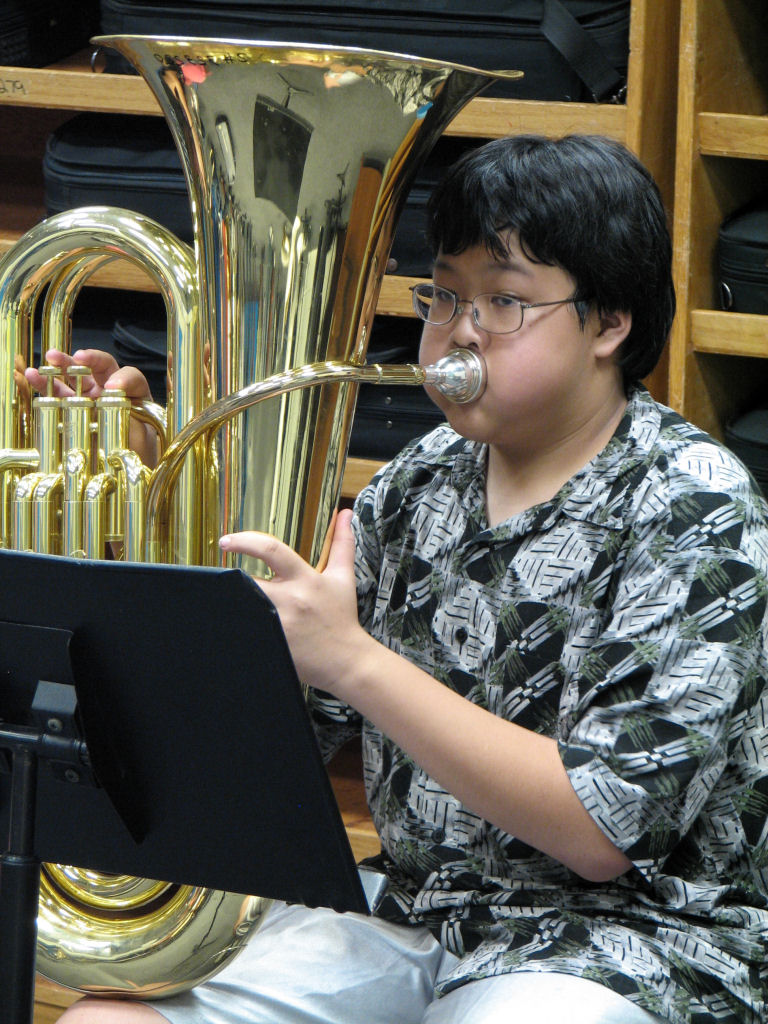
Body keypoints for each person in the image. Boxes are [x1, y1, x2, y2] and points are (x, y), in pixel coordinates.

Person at [46, 134, 767, 1024]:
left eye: (505, 302)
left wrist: (353, 660)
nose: (459, 331)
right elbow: (270, 754)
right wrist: (139, 511)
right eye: (446, 294)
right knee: (106, 1019)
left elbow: (602, 829)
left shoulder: (696, 507)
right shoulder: (415, 484)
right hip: (410, 911)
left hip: (636, 941)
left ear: (610, 324)